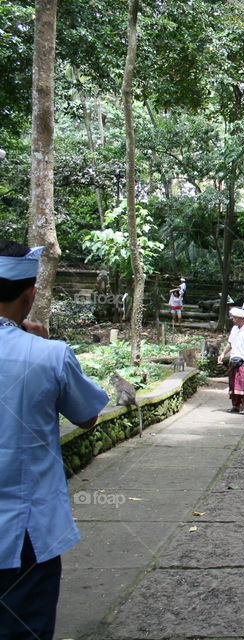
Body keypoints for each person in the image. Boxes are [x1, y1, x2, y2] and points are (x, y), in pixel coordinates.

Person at [0, 241, 109, 640]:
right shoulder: (49, 354)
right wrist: (42, 344)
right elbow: (87, 415)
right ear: (29, 296)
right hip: (26, 532)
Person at [217, 307, 244, 414]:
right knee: (232, 382)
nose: (233, 320)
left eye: (234, 318)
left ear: (241, 318)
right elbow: (230, 343)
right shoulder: (234, 329)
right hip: (233, 358)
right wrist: (223, 354)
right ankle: (234, 405)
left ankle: (243, 405)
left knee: (242, 382)